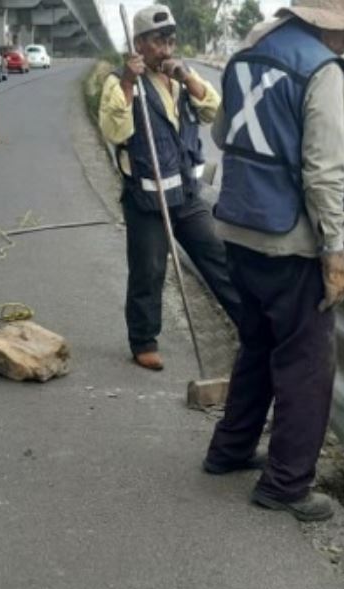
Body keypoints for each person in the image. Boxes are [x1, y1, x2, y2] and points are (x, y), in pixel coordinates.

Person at [201, 0, 344, 522]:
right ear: (323, 25)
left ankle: (228, 451)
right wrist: (333, 254)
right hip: (288, 241)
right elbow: (323, 173)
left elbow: (221, 133)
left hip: (236, 228)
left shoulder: (246, 56)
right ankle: (287, 484)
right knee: (306, 365)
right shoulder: (322, 71)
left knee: (256, 346)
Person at [98, 5, 240, 371]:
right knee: (148, 270)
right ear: (140, 45)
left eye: (171, 41)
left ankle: (251, 328)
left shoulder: (181, 80)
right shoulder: (120, 82)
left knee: (218, 257)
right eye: (159, 42)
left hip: (188, 197)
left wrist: (188, 78)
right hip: (148, 197)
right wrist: (130, 82)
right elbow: (115, 131)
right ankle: (143, 340)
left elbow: (214, 111)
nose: (166, 49)